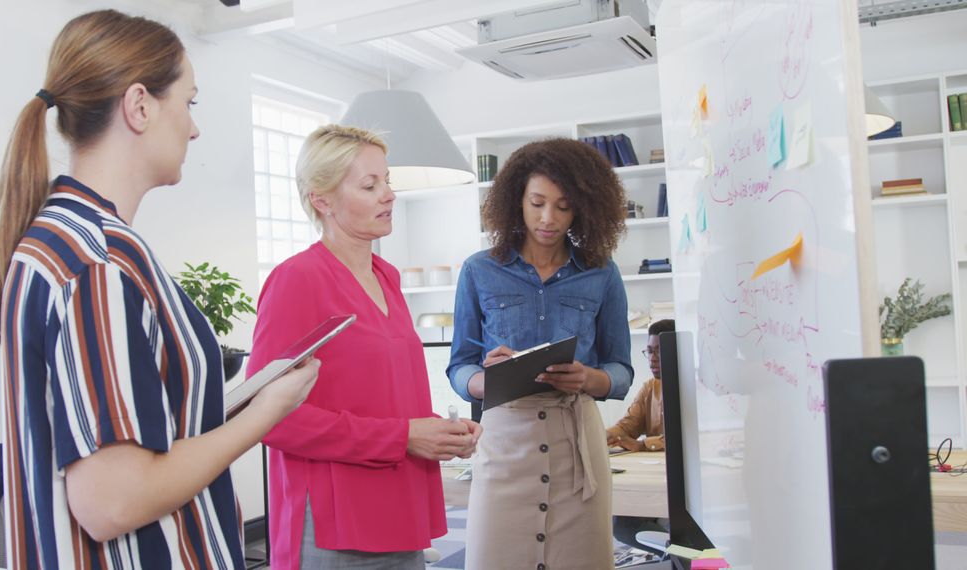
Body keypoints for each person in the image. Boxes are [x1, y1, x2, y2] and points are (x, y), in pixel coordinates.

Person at [0, 11, 319, 569]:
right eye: (190, 102)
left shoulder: (65, 241)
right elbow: (114, 502)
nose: (194, 127)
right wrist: (266, 414)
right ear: (139, 106)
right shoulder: (98, 262)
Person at [247, 124, 482, 569]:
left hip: (399, 504)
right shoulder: (297, 280)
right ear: (322, 199)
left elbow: (382, 396)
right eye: (369, 185)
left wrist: (436, 431)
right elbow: (271, 419)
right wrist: (405, 436)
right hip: (337, 522)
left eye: (387, 181)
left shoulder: (387, 277)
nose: (388, 194)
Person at [448, 137, 634, 570]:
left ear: (583, 209)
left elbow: (621, 368)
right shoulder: (479, 270)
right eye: (537, 203)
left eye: (563, 206)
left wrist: (590, 378)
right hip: (504, 443)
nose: (548, 218)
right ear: (517, 201)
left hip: (578, 445)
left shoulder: (601, 272)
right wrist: (485, 378)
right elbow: (460, 366)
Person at [607, 319, 674, 550]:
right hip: (655, 475)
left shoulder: (692, 386)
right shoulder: (650, 388)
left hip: (679, 480)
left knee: (626, 527)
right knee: (623, 524)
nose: (653, 358)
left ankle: (698, 559)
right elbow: (626, 427)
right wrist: (600, 436)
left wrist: (643, 445)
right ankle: (690, 556)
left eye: (659, 351)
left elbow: (682, 436)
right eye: (649, 351)